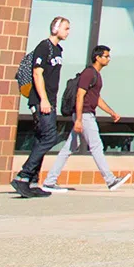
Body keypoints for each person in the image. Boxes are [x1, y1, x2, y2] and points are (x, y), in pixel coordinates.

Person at [41, 43, 127, 191]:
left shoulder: (96, 75)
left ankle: (49, 181)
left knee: (69, 148)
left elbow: (96, 98)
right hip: (85, 115)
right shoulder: (89, 73)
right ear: (97, 57)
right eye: (106, 56)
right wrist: (79, 119)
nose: (109, 59)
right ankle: (110, 179)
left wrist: (111, 112)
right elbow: (80, 95)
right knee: (96, 146)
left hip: (86, 114)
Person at [11, 15, 72, 198]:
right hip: (40, 101)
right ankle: (23, 175)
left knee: (41, 138)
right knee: (49, 136)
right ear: (56, 29)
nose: (68, 32)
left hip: (49, 101)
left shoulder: (58, 50)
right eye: (66, 28)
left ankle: (32, 181)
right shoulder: (43, 47)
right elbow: (38, 74)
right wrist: (43, 100)